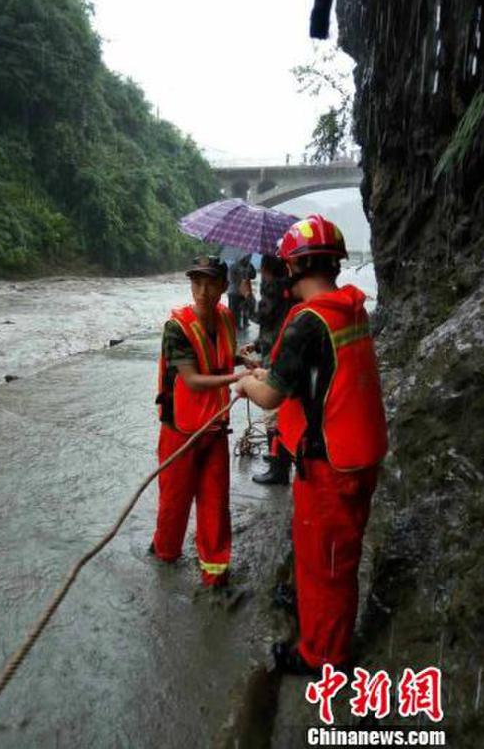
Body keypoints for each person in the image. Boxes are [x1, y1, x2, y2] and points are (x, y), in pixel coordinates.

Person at [234, 215, 388, 673]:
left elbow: (273, 395)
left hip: (330, 466)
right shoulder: (349, 308)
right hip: (359, 453)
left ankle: (324, 657)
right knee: (332, 553)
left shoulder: (306, 323)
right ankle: (319, 625)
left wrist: (246, 382)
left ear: (295, 268)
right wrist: (270, 373)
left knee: (329, 563)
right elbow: (324, 376)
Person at [152, 256, 252, 587]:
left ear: (224, 286)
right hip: (180, 431)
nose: (203, 291)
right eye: (197, 283)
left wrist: (240, 358)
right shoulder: (176, 328)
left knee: (215, 501)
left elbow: (216, 356)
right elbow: (192, 380)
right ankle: (166, 557)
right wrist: (238, 377)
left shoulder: (224, 318)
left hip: (214, 427)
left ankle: (215, 572)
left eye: (210, 283)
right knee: (174, 504)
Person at [247, 255, 295, 485]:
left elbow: (260, 316)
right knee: (282, 410)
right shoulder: (291, 286)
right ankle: (280, 457)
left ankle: (278, 468)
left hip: (275, 355)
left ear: (267, 269)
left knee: (272, 413)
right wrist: (256, 344)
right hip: (283, 349)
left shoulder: (273, 288)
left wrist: (247, 296)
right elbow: (275, 324)